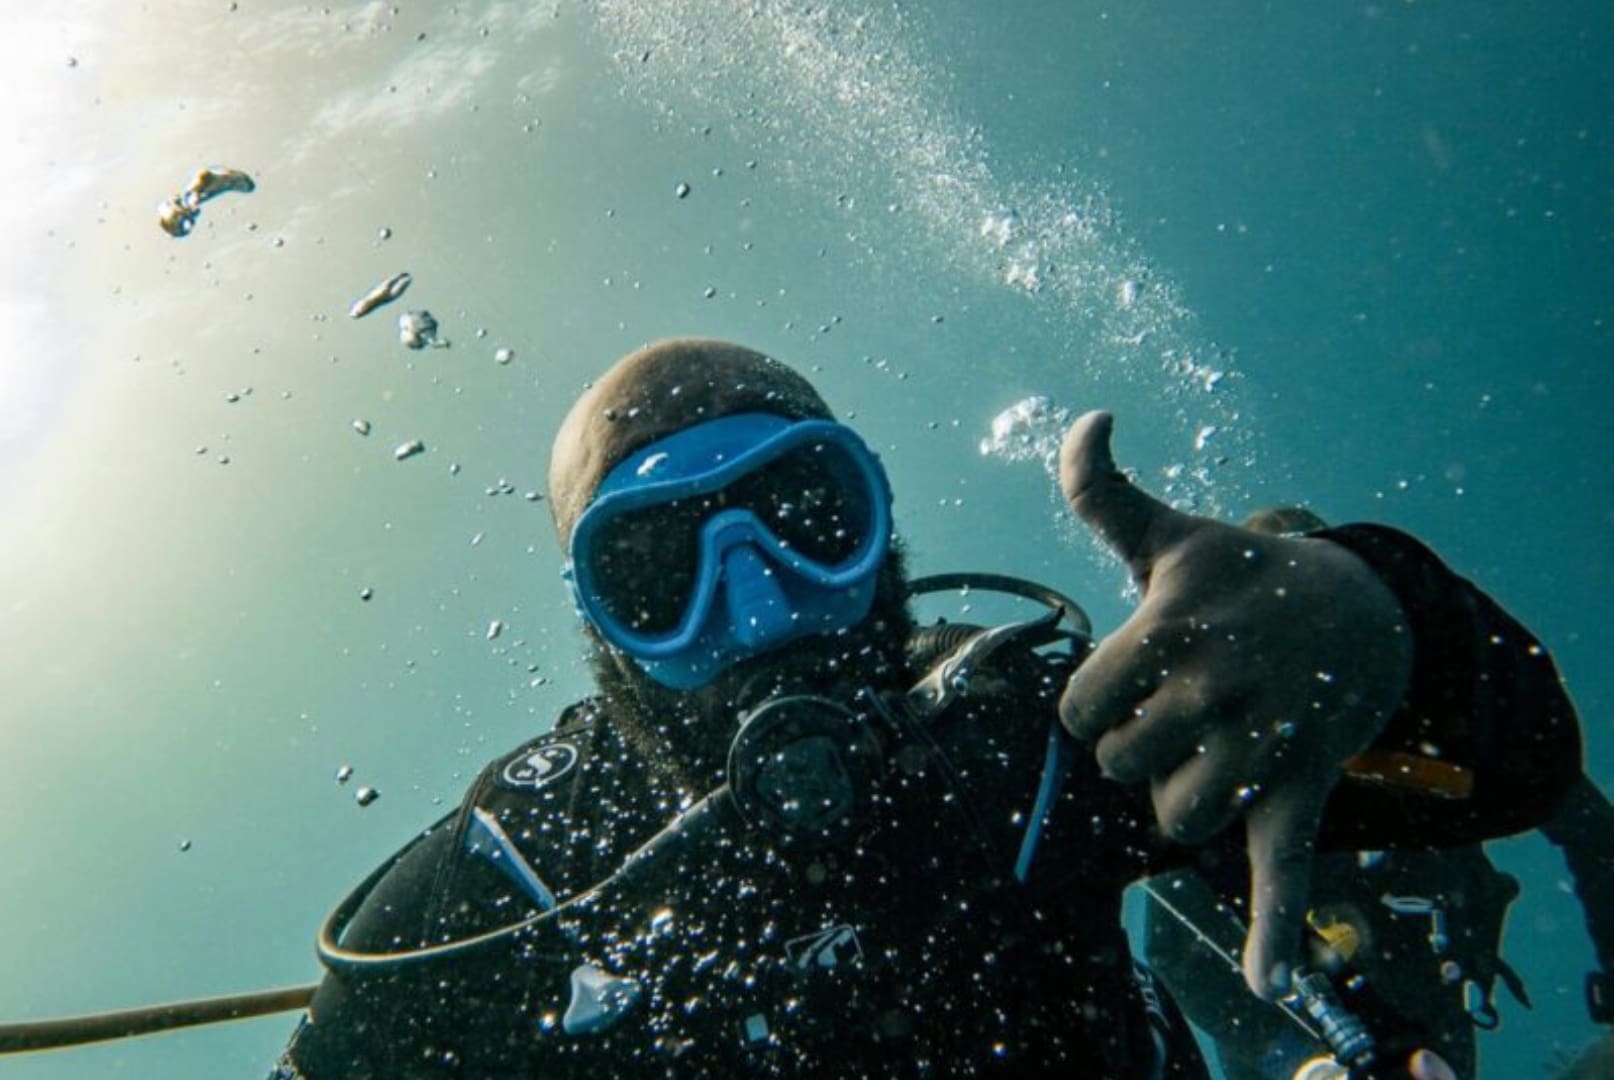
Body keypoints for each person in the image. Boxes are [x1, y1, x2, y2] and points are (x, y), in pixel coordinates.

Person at [271, 339, 1582, 1079]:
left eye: (803, 522)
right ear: (598, 627)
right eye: (661, 573)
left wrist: (1392, 629)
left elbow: (1515, 767)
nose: (760, 603)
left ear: (880, 538)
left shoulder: (1026, 726)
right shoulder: (513, 883)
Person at [1142, 509, 1614, 1080]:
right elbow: (1176, 955)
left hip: (1427, 991)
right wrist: (1288, 1056)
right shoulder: (1215, 764)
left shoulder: (1436, 728)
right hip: (1285, 1034)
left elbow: (1583, 819)